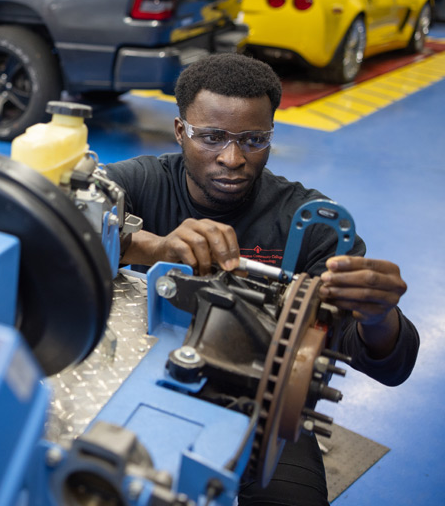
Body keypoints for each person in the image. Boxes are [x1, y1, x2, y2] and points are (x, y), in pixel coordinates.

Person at [104, 53, 420, 505]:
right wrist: (151, 247)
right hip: (131, 368)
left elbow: (394, 366)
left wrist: (379, 316)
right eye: (211, 137)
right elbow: (58, 225)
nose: (232, 159)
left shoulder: (307, 223)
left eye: (254, 139)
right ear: (181, 132)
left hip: (258, 396)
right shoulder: (140, 182)